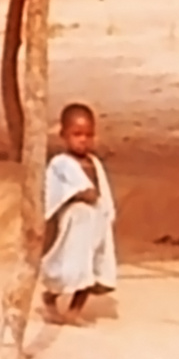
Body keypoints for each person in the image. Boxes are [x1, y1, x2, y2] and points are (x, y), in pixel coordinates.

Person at [41, 102, 117, 325]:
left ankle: (75, 311)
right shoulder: (60, 164)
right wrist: (77, 194)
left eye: (88, 135)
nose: (83, 140)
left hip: (95, 226)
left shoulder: (94, 163)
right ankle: (50, 298)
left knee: (91, 270)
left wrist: (105, 211)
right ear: (64, 134)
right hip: (74, 229)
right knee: (69, 268)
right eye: (77, 134)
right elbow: (53, 194)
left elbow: (103, 190)